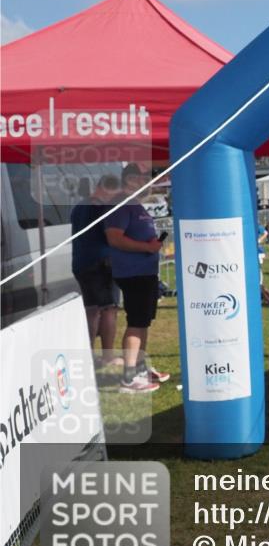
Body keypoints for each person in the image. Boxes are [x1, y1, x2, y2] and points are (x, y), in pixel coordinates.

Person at [104, 164, 170, 394]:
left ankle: (140, 368)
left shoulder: (134, 203)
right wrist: (146, 247)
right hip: (132, 273)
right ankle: (129, 377)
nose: (147, 182)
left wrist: (151, 245)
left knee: (143, 322)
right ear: (130, 179)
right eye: (142, 178)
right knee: (136, 322)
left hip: (145, 271)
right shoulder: (121, 204)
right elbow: (114, 238)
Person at [71, 174, 121, 364]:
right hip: (102, 264)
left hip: (81, 263)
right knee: (109, 309)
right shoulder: (103, 209)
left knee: (91, 310)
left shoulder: (79, 207)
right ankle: (108, 356)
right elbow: (112, 235)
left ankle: (89, 354)